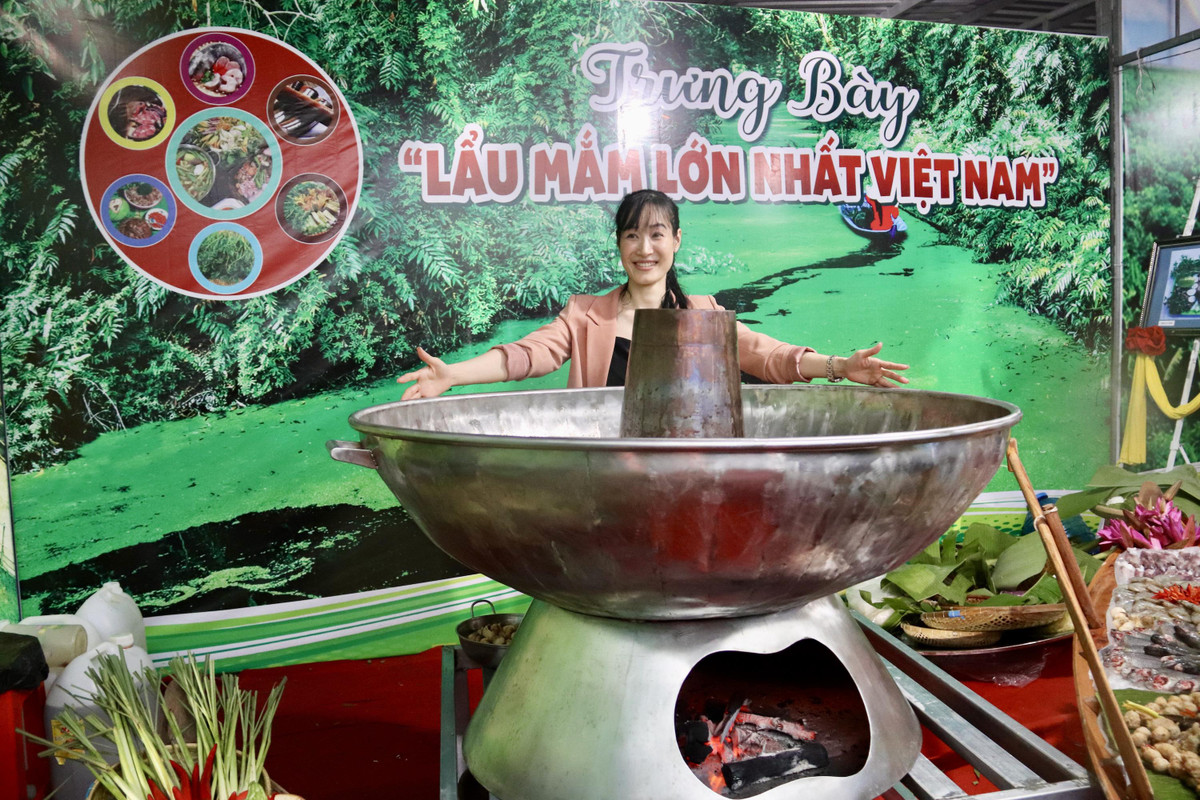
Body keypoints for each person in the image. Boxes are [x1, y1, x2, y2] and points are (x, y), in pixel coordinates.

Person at [397, 190, 908, 400]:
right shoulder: (585, 314)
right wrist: (453, 374)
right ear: (620, 245)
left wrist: (840, 366)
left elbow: (769, 356)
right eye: (632, 235)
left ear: (676, 241)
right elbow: (526, 356)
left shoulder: (704, 314)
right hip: (603, 479)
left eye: (657, 234)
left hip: (689, 475)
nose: (645, 249)